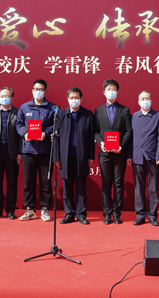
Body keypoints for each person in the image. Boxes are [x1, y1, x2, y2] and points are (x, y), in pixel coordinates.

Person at [16, 79, 56, 222]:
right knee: (29, 182)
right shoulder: (24, 107)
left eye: (41, 89)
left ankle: (45, 209)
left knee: (46, 182)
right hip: (28, 150)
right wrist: (24, 133)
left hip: (45, 151)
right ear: (32, 90)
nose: (38, 92)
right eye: (36, 89)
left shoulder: (52, 108)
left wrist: (46, 133)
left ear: (45, 91)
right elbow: (19, 124)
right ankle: (30, 209)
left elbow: (56, 125)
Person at [94, 79, 133, 225]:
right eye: (109, 89)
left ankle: (117, 214)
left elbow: (128, 130)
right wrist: (101, 142)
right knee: (105, 183)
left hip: (119, 153)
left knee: (118, 183)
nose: (111, 92)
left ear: (117, 92)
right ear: (104, 92)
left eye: (114, 89)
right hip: (104, 153)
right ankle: (107, 213)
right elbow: (96, 131)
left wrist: (121, 146)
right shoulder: (98, 110)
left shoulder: (124, 110)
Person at [54, 87, 95, 225]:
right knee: (67, 187)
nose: (74, 100)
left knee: (81, 187)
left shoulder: (88, 115)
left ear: (81, 99)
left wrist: (90, 156)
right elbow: (56, 138)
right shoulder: (61, 114)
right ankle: (69, 214)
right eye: (71, 98)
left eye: (76, 98)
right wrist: (57, 157)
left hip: (81, 156)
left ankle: (81, 214)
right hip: (65, 157)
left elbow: (91, 138)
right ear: (67, 99)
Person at [130, 91, 159, 226]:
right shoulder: (133, 117)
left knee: (153, 188)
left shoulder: (158, 116)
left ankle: (152, 215)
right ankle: (140, 215)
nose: (145, 101)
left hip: (153, 157)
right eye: (142, 99)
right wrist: (129, 155)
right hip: (137, 156)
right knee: (139, 188)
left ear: (151, 100)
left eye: (147, 98)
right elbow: (130, 137)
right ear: (138, 101)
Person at [0, 87, 21, 219]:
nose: (4, 98)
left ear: (12, 98)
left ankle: (10, 210)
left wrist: (20, 152)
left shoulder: (18, 112)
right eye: (2, 96)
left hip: (12, 154)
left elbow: (21, 135)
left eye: (7, 96)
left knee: (11, 183)